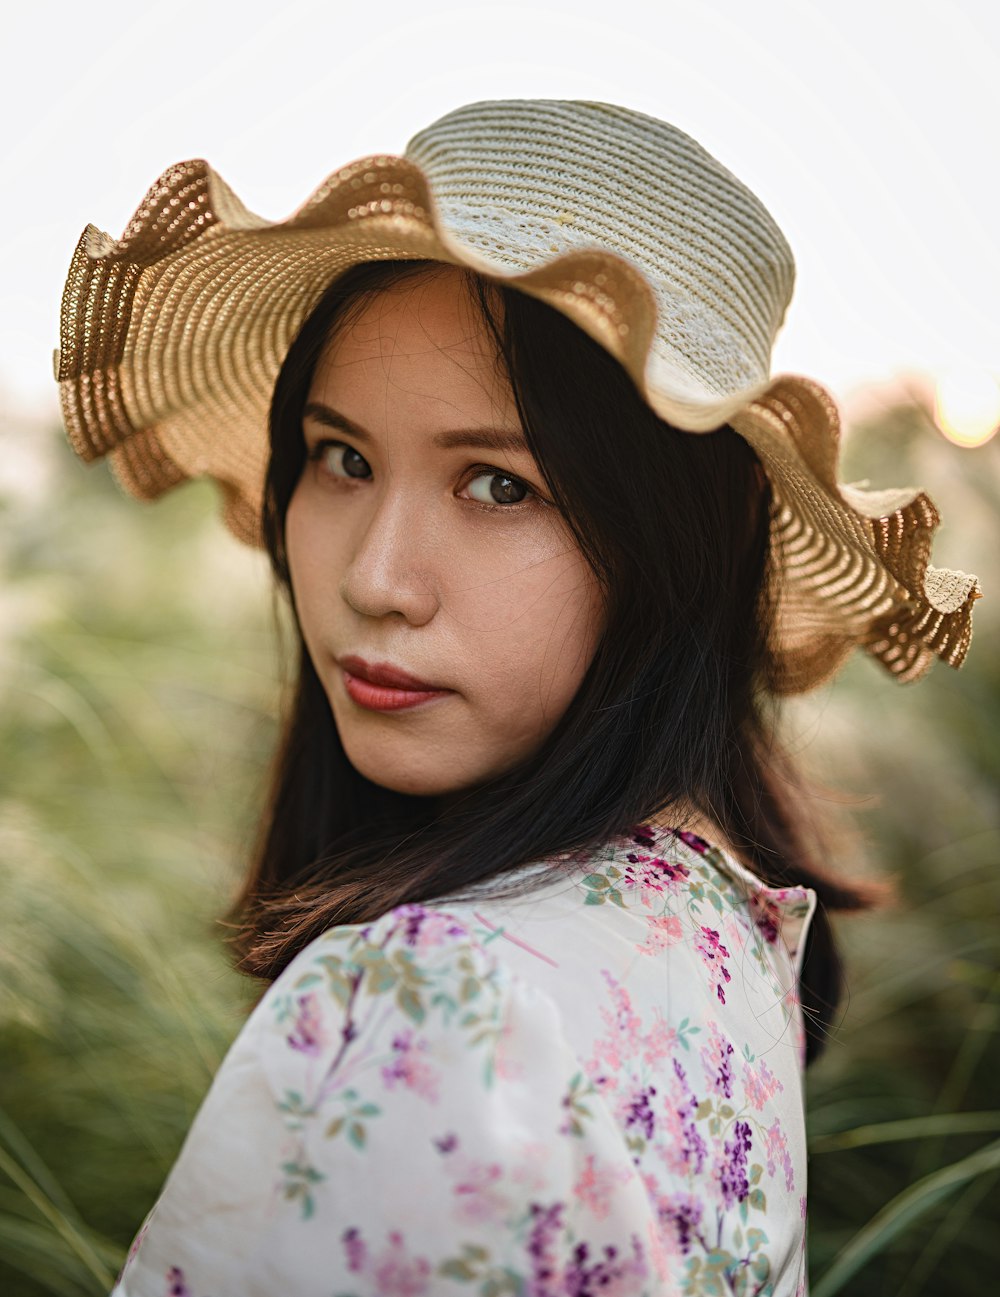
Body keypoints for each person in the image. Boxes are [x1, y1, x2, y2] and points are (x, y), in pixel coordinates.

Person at [55, 99, 981, 1297]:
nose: (376, 580)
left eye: (498, 483)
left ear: (675, 548)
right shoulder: (712, 925)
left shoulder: (439, 1000)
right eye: (342, 458)